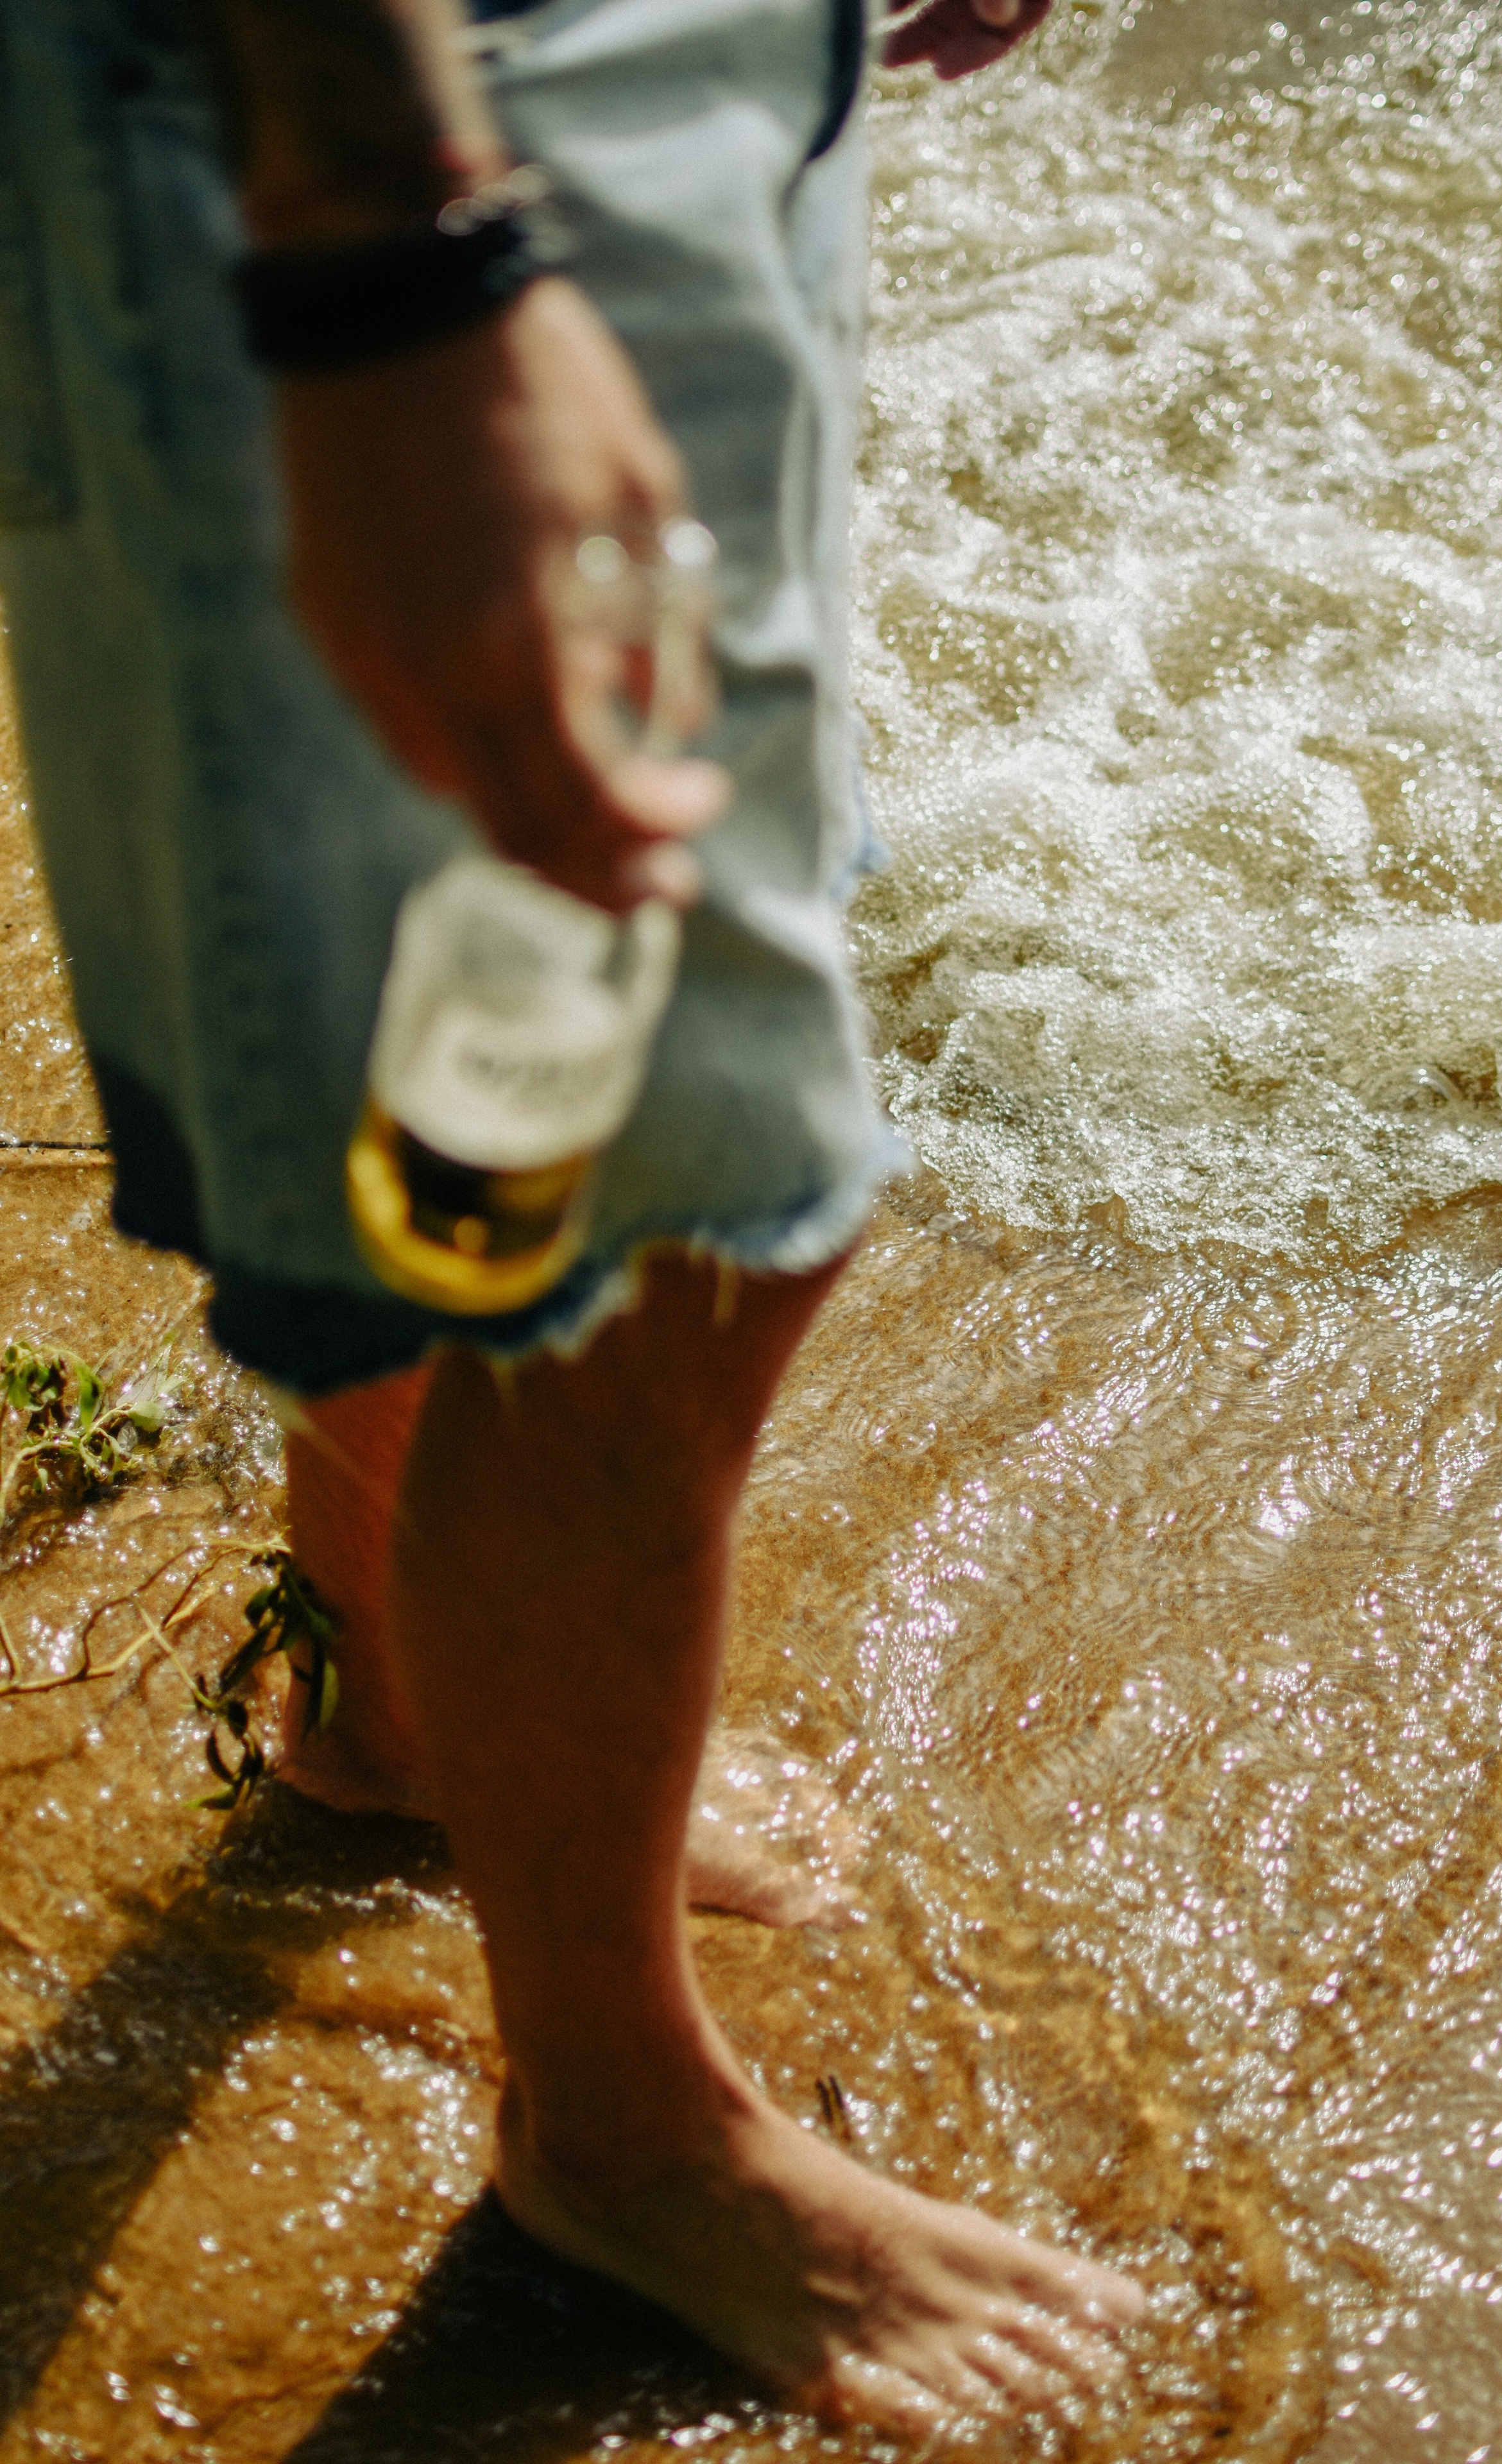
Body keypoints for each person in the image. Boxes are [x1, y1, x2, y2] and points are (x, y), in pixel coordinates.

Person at [0, 0, 1141, 2426]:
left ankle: (401, 1711)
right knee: (677, 1189)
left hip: (624, 68)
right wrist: (396, 256)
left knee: (495, 1013)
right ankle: (620, 2128)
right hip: (399, 89)